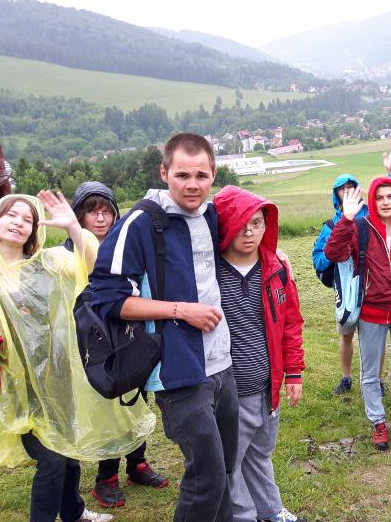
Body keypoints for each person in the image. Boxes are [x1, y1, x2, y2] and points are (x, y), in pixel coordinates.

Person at [0, 192, 154, 522]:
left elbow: (92, 266)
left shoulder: (49, 264)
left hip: (58, 375)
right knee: (52, 457)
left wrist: (73, 228)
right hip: (17, 385)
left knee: (68, 446)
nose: (18, 222)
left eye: (27, 219)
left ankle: (73, 512)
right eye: (11, 215)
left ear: (34, 230)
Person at [91, 133, 238, 521]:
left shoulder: (210, 215)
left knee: (225, 472)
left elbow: (243, 243)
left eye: (201, 175)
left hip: (222, 363)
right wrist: (180, 310)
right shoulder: (141, 224)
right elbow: (107, 299)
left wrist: (274, 252)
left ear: (213, 174)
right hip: (177, 370)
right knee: (206, 479)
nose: (192, 185)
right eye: (182, 175)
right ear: (164, 172)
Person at [66, 182, 169, 508]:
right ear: (78, 216)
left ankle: (137, 463)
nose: (100, 218)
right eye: (91, 212)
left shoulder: (127, 243)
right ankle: (106, 477)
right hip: (93, 341)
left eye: (106, 211)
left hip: (129, 331)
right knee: (107, 403)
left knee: (137, 395)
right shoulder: (67, 254)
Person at [213, 186, 307, 522]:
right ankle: (243, 515)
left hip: (268, 385)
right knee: (230, 461)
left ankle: (269, 510)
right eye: (241, 224)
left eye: (256, 223)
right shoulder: (209, 272)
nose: (249, 232)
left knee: (259, 453)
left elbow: (291, 323)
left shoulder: (276, 269)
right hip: (229, 390)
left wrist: (294, 372)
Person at [324, 176, 391, 452]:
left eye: (390, 196)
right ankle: (378, 423)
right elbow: (333, 252)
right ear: (372, 201)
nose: (385, 202)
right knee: (370, 373)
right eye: (380, 197)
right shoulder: (360, 229)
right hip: (371, 312)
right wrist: (346, 219)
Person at [311, 148, 391, 396]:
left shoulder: (373, 217)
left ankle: (377, 379)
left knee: (376, 337)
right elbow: (318, 258)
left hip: (373, 287)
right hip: (346, 289)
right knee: (347, 334)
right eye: (342, 189)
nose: (347, 191)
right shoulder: (330, 226)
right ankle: (346, 377)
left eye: (351, 187)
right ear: (336, 195)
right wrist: (334, 256)